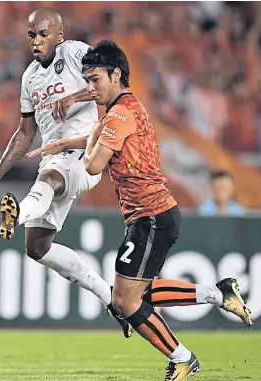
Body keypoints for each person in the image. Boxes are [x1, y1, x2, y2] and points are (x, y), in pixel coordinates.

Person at [27, 40, 252, 381]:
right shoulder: (125, 109)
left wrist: (81, 143)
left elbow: (92, 165)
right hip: (151, 216)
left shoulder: (119, 113)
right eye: (86, 80)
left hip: (151, 216)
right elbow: (100, 136)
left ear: (115, 74)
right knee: (131, 297)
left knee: (126, 303)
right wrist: (63, 143)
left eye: (95, 79)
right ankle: (217, 294)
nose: (90, 88)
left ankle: (182, 357)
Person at [0, 7, 133, 338]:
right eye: (31, 35)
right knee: (37, 248)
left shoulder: (74, 52)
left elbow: (107, 84)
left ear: (59, 34)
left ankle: (14, 216)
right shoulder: (29, 77)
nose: (36, 41)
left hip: (86, 153)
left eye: (43, 34)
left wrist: (75, 95)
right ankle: (109, 298)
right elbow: (24, 133)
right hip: (54, 160)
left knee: (49, 179)